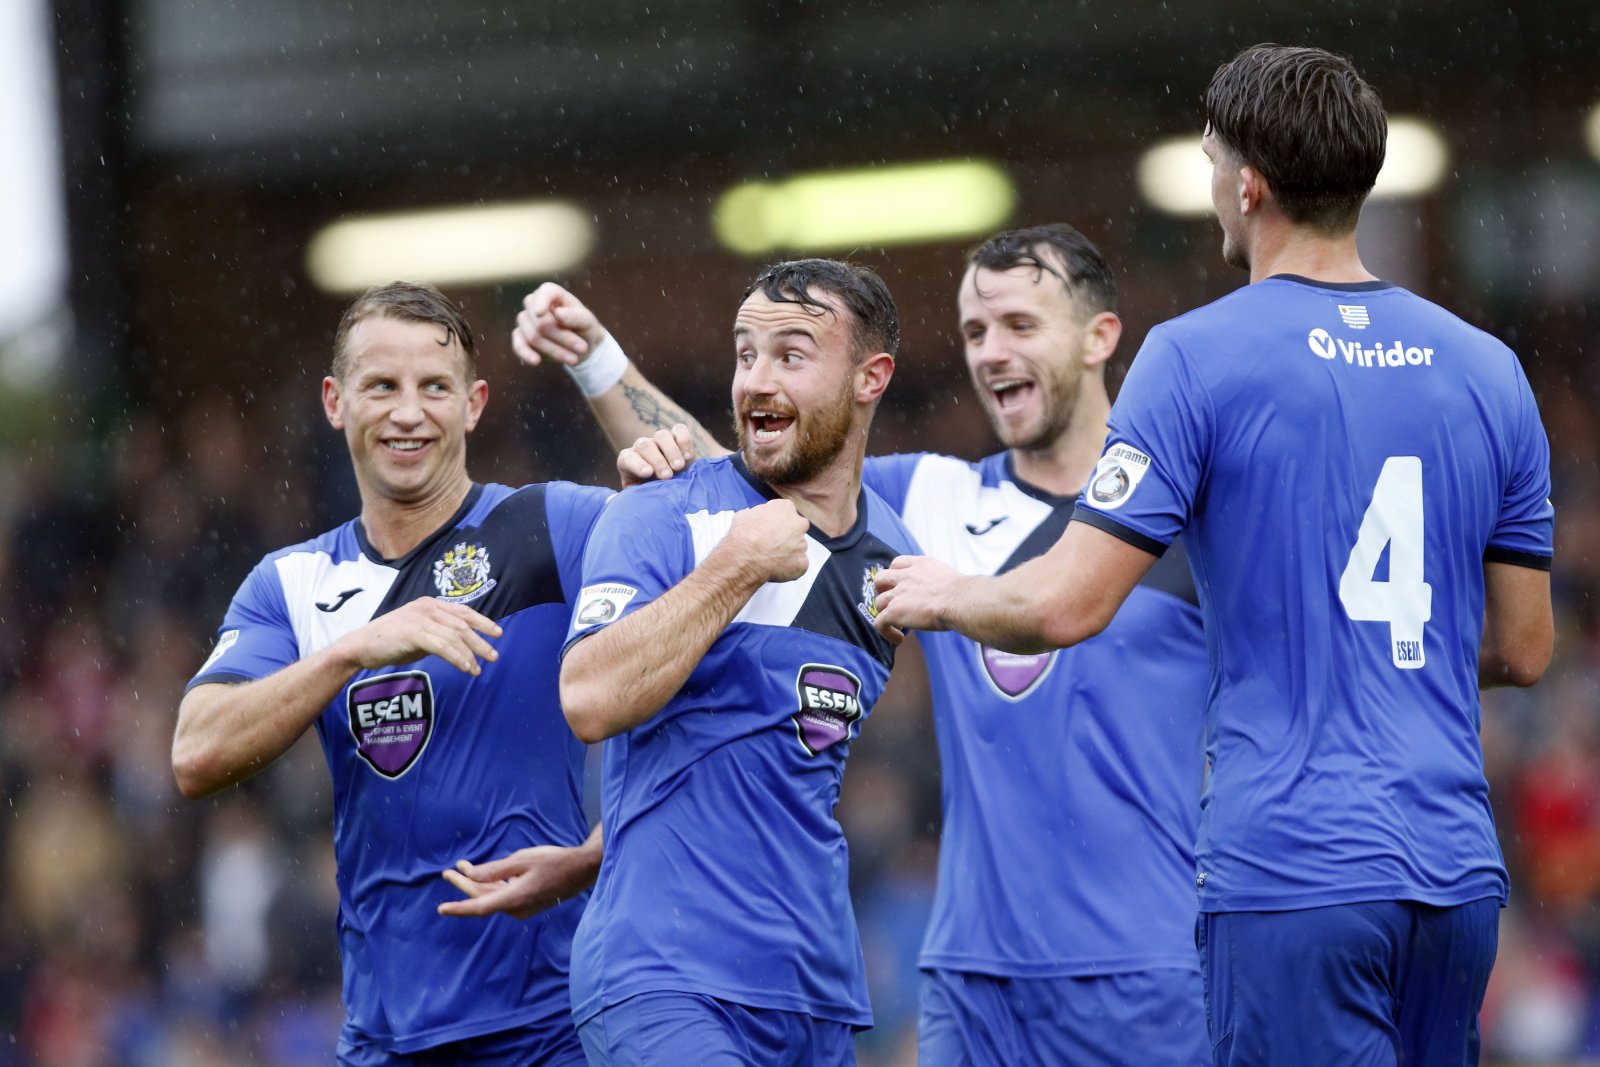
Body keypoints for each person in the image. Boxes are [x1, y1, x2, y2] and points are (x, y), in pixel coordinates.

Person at [872, 44, 1556, 1067]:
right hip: (1452, 872)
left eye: (1206, 167)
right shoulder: (1488, 369)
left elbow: (1067, 605)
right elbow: (1524, 647)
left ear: (1247, 185)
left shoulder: (1195, 353)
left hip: (1292, 869)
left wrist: (948, 594)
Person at [511, 224, 1211, 1065]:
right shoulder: (930, 504)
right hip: (976, 982)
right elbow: (765, 476)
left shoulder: (1185, 524)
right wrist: (600, 365)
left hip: (1156, 962)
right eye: (976, 331)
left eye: (1021, 326)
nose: (992, 352)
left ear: (1101, 337)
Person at [172, 282, 608, 1066]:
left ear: (473, 404)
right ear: (336, 402)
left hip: (555, 1029)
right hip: (383, 1040)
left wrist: (599, 852)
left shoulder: (552, 525)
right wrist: (350, 650)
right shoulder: (292, 582)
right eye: (383, 386)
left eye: (434, 387)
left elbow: (728, 531)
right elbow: (194, 751)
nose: (408, 412)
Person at [551, 259, 914, 1064]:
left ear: (870, 377)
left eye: (790, 353)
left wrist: (601, 842)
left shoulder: (894, 564)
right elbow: (589, 695)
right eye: (745, 353)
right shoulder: (660, 506)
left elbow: (753, 752)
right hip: (665, 976)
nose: (756, 378)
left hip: (814, 993)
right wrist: (736, 566)